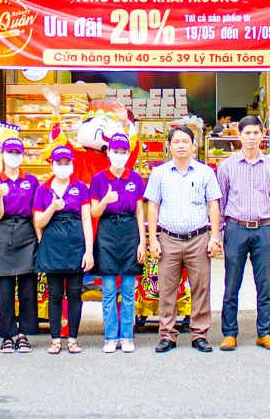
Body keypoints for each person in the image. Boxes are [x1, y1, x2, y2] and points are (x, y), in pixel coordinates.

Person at [144, 125, 222, 353]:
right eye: (176, 141)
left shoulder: (205, 172)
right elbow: (153, 206)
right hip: (169, 238)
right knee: (167, 289)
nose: (180, 145)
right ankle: (167, 335)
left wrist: (214, 237)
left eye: (185, 141)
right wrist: (153, 239)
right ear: (169, 146)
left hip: (198, 238)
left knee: (201, 288)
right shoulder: (159, 173)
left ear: (193, 145)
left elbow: (213, 205)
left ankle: (200, 334)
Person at [218, 116, 270, 352]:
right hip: (235, 228)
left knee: (264, 284)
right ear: (239, 135)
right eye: (247, 133)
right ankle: (229, 333)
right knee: (231, 283)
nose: (251, 138)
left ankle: (264, 332)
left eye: (256, 133)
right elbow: (220, 203)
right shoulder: (227, 166)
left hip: (263, 229)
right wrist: (219, 234)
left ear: (263, 135)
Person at [33, 146, 95, 354]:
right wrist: (52, 207)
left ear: (72, 164)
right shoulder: (43, 189)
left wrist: (89, 251)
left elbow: (86, 220)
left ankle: (73, 339)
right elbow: (38, 221)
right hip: (53, 247)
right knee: (55, 295)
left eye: (66, 163)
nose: (62, 167)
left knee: (75, 294)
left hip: (76, 245)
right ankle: (55, 339)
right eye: (58, 163)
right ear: (52, 165)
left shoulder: (80, 187)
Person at [89, 133, 146, 354]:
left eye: (123, 152)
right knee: (109, 290)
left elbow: (140, 212)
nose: (119, 155)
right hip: (107, 233)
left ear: (128, 154)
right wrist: (105, 200)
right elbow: (94, 212)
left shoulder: (136, 178)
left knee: (129, 290)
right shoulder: (99, 179)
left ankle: (127, 336)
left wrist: (142, 242)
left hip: (130, 232)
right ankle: (110, 337)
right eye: (116, 151)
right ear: (109, 153)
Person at [0, 138, 40, 354]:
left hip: (27, 233)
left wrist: (40, 239)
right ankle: (8, 334)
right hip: (4, 232)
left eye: (17, 152)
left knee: (28, 287)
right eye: (10, 152)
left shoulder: (32, 181)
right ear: (2, 154)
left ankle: (24, 334)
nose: (14, 156)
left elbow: (36, 212)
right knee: (5, 287)